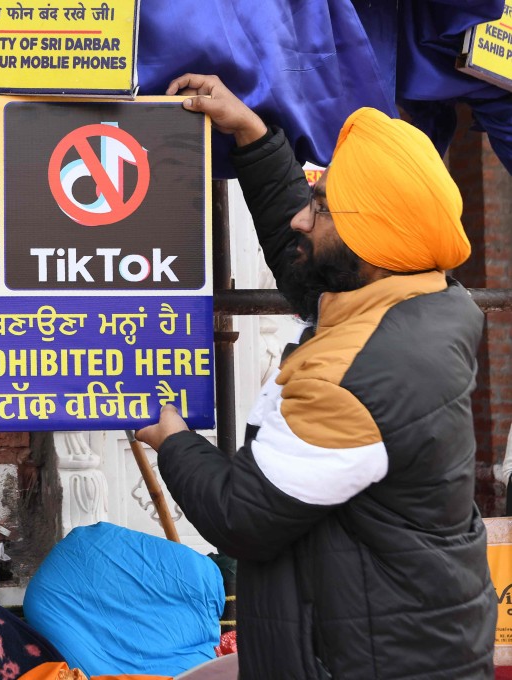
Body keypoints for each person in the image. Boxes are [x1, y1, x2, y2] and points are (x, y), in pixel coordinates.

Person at [136, 74, 496, 679]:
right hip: (406, 642)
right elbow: (310, 267)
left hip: (372, 662)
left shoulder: (361, 374)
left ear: (374, 238)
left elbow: (241, 515)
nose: (303, 219)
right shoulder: (418, 294)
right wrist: (252, 135)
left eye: (323, 206)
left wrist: (169, 436)